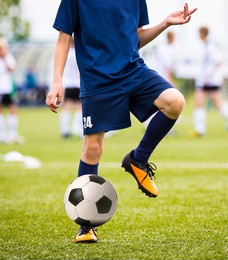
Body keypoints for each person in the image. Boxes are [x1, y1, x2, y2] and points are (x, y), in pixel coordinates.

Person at [46, 1, 197, 243]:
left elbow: (136, 38)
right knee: (93, 148)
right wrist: (57, 81)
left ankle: (138, 159)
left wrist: (165, 23)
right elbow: (64, 38)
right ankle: (86, 225)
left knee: (175, 102)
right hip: (97, 80)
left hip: (133, 71)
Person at [191, 26, 228, 137]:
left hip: (208, 80)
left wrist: (209, 75)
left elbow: (219, 61)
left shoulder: (210, 46)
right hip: (206, 80)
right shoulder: (205, 45)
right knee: (204, 102)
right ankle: (200, 130)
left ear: (202, 33)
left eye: (199, 33)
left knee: (211, 103)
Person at [59, 36, 83, 139]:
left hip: (68, 83)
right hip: (78, 83)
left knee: (66, 107)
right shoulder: (80, 54)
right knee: (80, 107)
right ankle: (77, 128)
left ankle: (64, 130)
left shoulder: (66, 54)